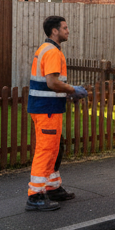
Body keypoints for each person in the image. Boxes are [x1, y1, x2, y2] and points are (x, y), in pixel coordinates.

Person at [25, 15, 87, 212]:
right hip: (47, 110)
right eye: (65, 28)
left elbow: (48, 84)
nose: (68, 31)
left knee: (55, 148)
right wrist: (72, 90)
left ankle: (52, 188)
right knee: (46, 150)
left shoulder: (46, 49)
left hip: (47, 107)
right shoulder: (52, 52)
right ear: (55, 31)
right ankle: (35, 196)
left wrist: (67, 93)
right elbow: (52, 83)